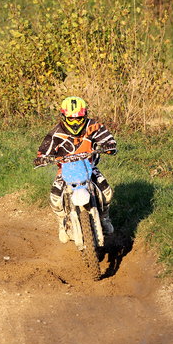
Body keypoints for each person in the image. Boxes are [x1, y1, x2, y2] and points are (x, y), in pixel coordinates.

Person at [33, 96, 117, 243]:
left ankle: (104, 217)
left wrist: (109, 145)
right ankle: (62, 222)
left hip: (89, 167)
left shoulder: (93, 126)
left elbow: (107, 139)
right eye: (71, 119)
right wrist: (42, 158)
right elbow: (44, 151)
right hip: (65, 171)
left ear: (85, 116)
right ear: (64, 117)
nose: (76, 122)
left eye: (79, 118)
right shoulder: (56, 133)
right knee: (55, 198)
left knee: (107, 192)